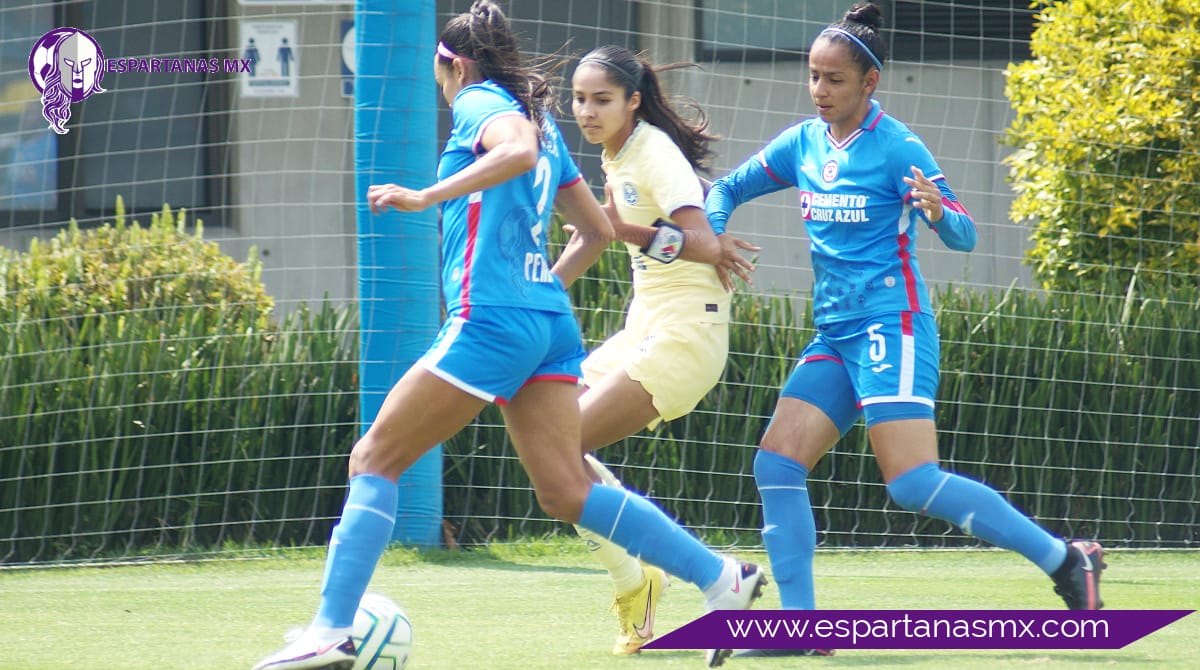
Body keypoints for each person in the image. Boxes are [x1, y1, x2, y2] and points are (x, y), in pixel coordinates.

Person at [251, 4, 765, 669]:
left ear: (453, 64)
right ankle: (721, 579)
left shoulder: (484, 104)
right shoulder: (545, 123)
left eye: (440, 73)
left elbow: (514, 151)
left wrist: (425, 196)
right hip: (544, 321)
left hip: (491, 317)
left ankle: (330, 629)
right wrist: (534, 292)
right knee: (566, 491)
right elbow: (599, 230)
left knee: (374, 458)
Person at [704, 2, 1105, 662]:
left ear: (870, 84)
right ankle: (800, 633)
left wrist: (936, 208)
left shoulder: (898, 146)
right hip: (835, 334)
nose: (820, 91)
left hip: (895, 324)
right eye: (813, 76)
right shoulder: (802, 143)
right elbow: (726, 188)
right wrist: (714, 231)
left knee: (912, 483)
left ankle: (1065, 560)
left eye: (834, 79)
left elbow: (967, 233)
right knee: (775, 463)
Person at [567, 45, 761, 657]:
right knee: (543, 433)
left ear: (633, 101)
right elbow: (598, 234)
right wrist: (538, 292)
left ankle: (698, 577)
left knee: (559, 450)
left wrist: (615, 226)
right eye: (579, 99)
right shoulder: (615, 152)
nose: (588, 111)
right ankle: (641, 579)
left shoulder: (651, 150)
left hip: (685, 333)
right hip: (645, 326)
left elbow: (702, 241)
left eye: (601, 99)